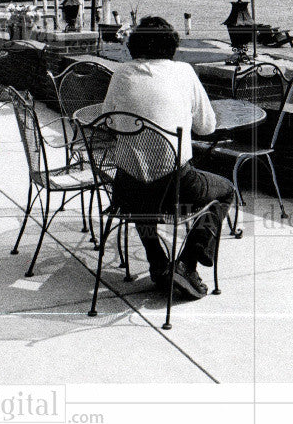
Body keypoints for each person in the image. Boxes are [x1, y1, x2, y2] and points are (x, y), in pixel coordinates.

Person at [100, 16, 234, 299]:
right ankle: (188, 262)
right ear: (171, 45)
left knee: (137, 180)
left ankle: (158, 263)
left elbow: (108, 122)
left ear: (135, 44)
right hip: (175, 187)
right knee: (225, 191)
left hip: (127, 191)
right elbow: (206, 127)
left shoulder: (121, 73)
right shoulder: (184, 72)